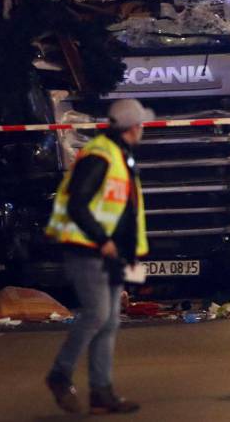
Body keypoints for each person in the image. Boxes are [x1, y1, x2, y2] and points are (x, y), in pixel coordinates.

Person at [45, 98, 151, 415]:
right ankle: (59, 375)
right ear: (134, 128)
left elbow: (124, 212)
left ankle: (101, 392)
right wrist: (102, 239)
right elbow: (78, 203)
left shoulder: (119, 155)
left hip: (110, 252)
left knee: (110, 321)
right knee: (97, 314)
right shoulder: (101, 156)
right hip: (88, 248)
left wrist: (128, 253)